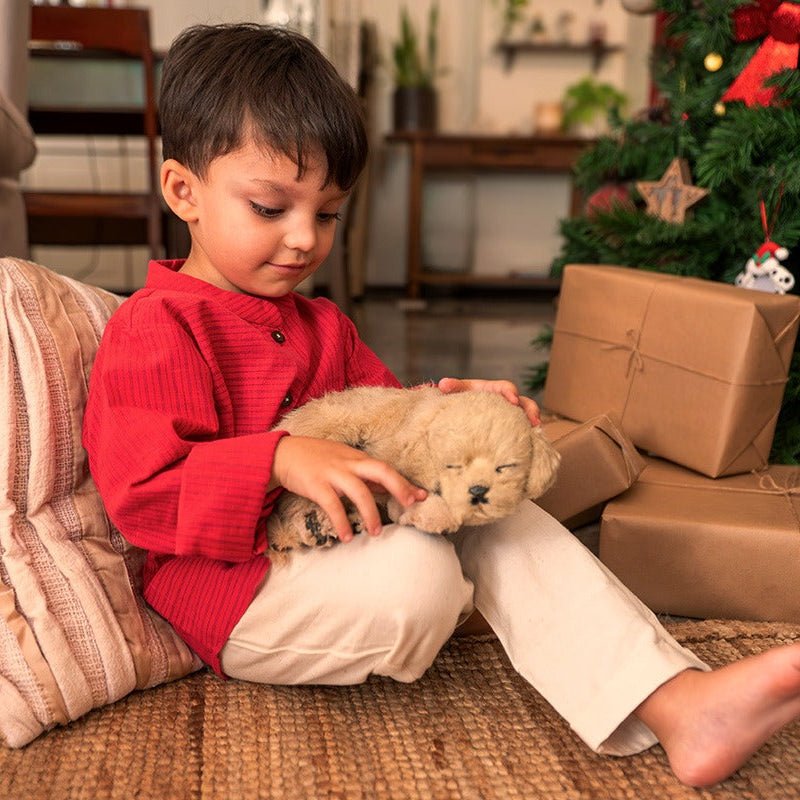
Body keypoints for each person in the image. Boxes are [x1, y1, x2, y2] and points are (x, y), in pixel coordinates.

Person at [82, 23, 800, 789]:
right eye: (269, 208)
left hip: (347, 549)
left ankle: (677, 702)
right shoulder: (155, 327)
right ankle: (479, 596)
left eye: (326, 214)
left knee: (489, 505)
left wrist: (454, 411)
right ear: (182, 191)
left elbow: (397, 424)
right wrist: (280, 457)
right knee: (422, 574)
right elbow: (141, 493)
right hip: (237, 597)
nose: (302, 240)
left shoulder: (324, 324)